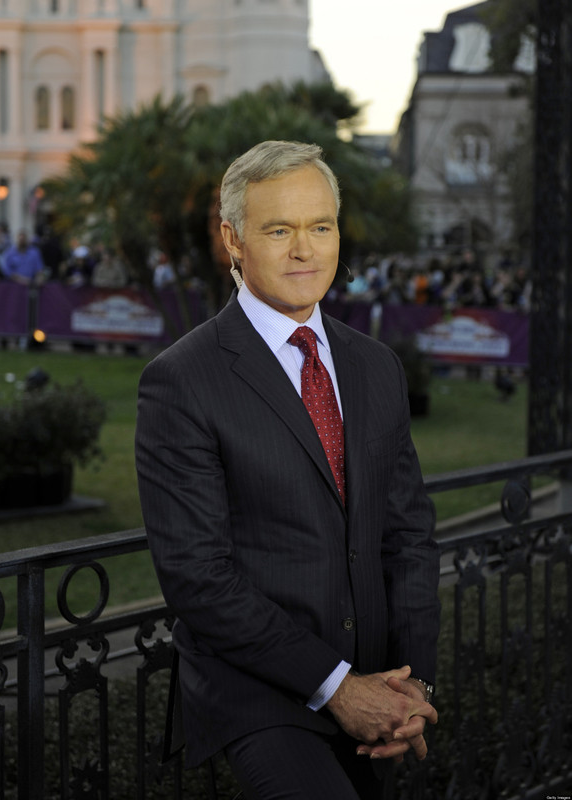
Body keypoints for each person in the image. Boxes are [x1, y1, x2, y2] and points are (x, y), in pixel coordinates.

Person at [135, 140, 441, 800]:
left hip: (379, 683)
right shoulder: (182, 381)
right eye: (279, 230)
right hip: (260, 692)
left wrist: (414, 684)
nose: (305, 250)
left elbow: (408, 534)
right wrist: (337, 686)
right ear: (233, 239)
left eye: (320, 227)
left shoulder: (374, 367)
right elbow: (197, 577)